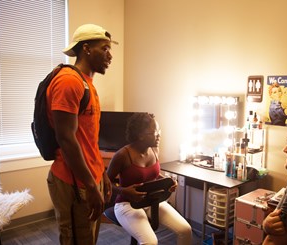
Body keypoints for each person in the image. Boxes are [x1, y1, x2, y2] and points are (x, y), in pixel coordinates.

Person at [46, 24, 117, 245]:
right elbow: (66, 139)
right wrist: (89, 184)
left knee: (88, 238)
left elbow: (87, 138)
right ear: (86, 49)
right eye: (104, 49)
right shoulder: (69, 81)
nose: (110, 55)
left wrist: (102, 174)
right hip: (73, 181)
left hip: (89, 177)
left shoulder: (88, 84)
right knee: (75, 240)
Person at [105, 113, 192, 245]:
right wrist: (124, 191)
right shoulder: (122, 155)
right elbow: (105, 183)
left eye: (159, 131)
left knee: (185, 230)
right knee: (150, 242)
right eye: (154, 132)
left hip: (152, 201)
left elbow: (154, 175)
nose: (159, 135)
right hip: (127, 205)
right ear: (140, 135)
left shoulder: (154, 150)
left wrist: (167, 181)